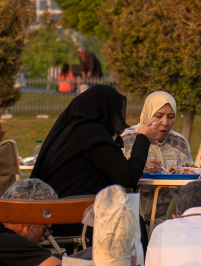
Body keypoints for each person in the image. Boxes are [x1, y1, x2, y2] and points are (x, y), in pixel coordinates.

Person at [30, 84, 166, 200]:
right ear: (104, 111)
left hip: (52, 214)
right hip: (75, 220)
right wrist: (143, 138)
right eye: (114, 114)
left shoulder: (72, 131)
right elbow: (128, 177)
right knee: (133, 222)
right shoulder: (94, 136)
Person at [120, 91, 195, 173]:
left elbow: (190, 174)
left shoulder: (180, 142)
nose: (165, 123)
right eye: (158, 116)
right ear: (148, 115)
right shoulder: (125, 139)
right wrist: (139, 165)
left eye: (170, 117)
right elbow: (114, 175)